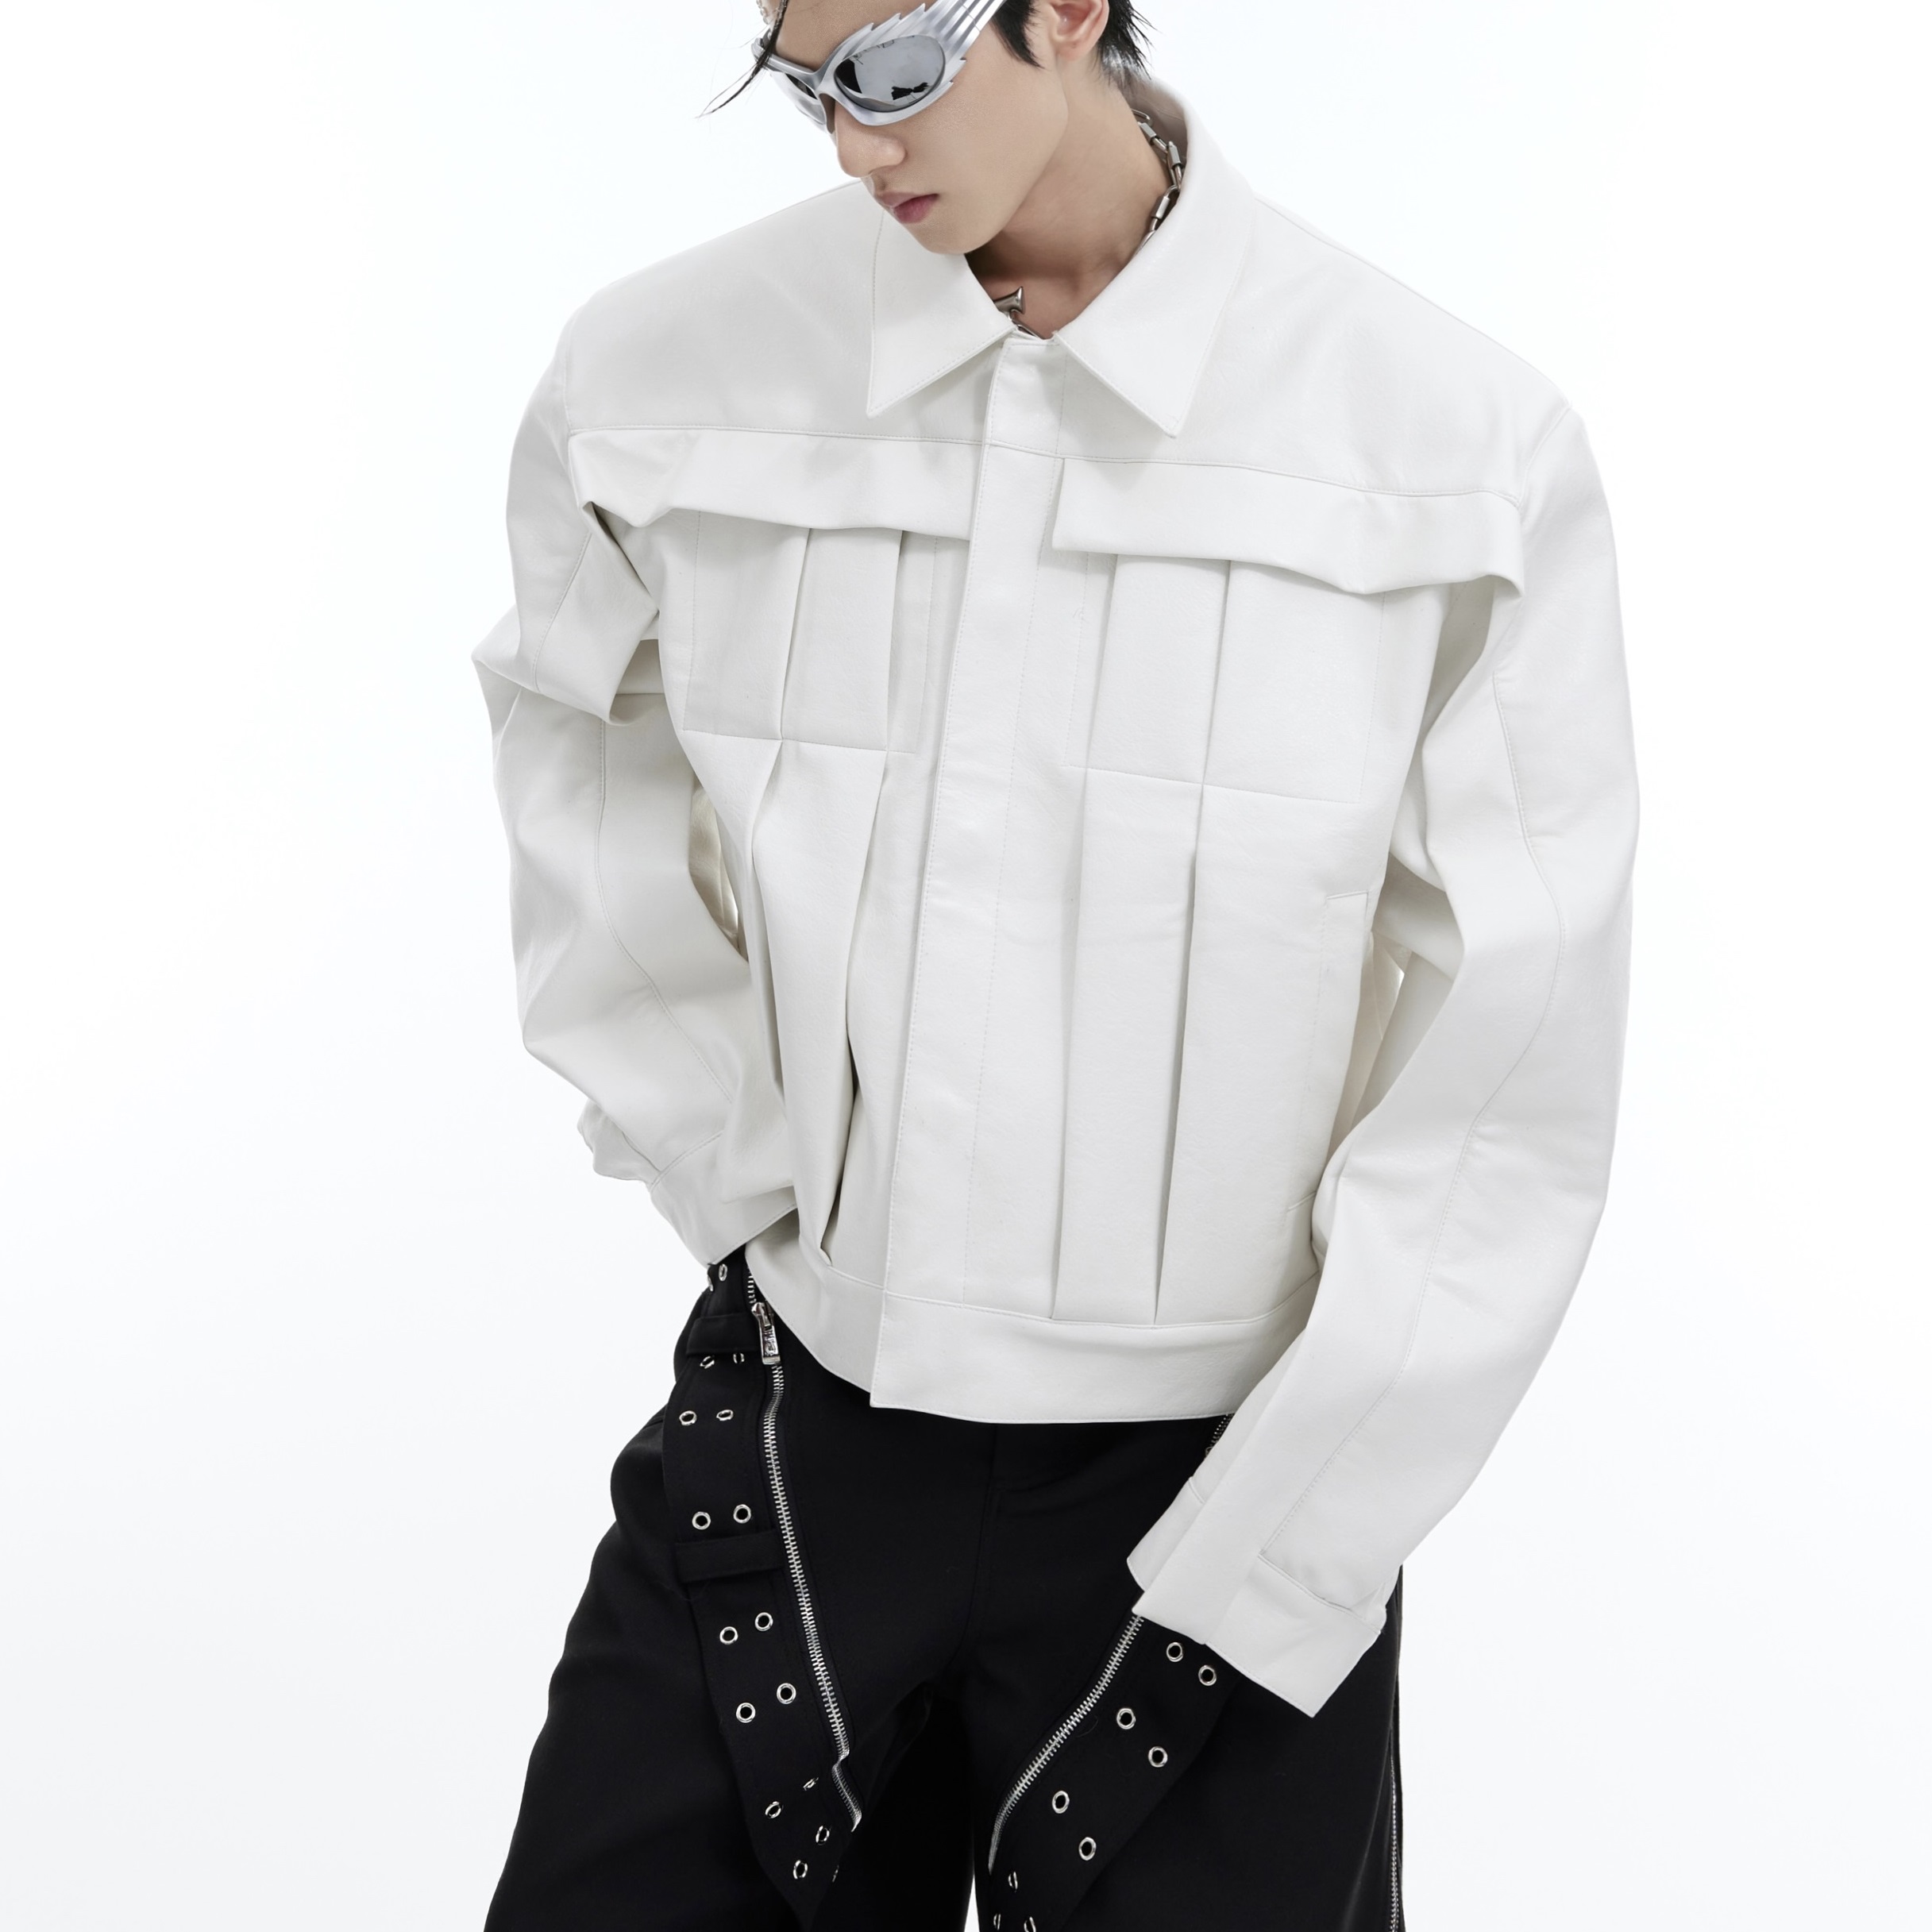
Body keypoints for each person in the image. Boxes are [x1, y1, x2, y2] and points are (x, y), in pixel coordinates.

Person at [472, 0, 1637, 1925]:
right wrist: (741, 1166)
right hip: (797, 1417)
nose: (852, 144)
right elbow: (574, 758)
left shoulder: (1444, 445)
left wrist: (1299, 1537)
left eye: (894, 72)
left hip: (1217, 1490)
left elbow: (1512, 1051)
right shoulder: (660, 376)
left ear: (1068, 9)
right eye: (799, 81)